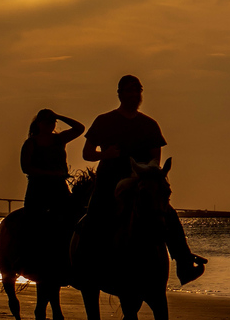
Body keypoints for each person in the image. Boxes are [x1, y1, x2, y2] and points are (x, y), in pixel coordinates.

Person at [82, 75, 206, 284]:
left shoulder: (149, 124)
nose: (133, 95)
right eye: (129, 90)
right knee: (93, 217)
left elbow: (155, 157)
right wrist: (106, 155)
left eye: (137, 90)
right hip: (109, 182)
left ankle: (184, 263)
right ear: (120, 94)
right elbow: (87, 153)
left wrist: (144, 173)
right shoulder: (104, 121)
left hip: (141, 182)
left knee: (168, 215)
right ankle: (84, 265)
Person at [21, 109, 85, 215]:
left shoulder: (59, 139)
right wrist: (51, 173)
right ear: (39, 124)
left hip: (59, 186)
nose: (50, 125)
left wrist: (58, 116)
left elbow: (80, 128)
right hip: (37, 188)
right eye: (46, 122)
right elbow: (26, 168)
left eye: (52, 122)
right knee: (32, 220)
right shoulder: (31, 143)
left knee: (68, 216)